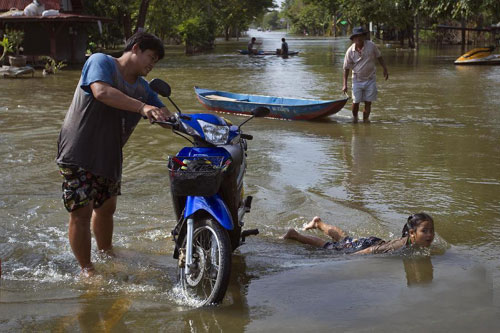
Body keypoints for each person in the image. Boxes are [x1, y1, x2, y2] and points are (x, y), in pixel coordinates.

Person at [56, 31, 171, 276]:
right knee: (81, 211)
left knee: (106, 209)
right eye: (151, 57)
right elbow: (101, 92)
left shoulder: (143, 89)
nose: (152, 64)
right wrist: (142, 107)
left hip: (109, 154)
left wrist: (193, 124)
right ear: (136, 48)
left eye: (156, 61)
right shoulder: (101, 62)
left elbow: (164, 114)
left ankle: (106, 252)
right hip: (79, 150)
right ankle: (87, 269)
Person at [283, 213, 435, 254]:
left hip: (371, 241)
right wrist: (351, 257)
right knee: (328, 246)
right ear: (412, 233)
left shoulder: (412, 242)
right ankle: (296, 235)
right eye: (425, 231)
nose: (430, 235)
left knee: (344, 239)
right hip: (367, 246)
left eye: (431, 231)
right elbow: (371, 251)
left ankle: (318, 223)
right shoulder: (400, 245)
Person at [342, 26, 389, 123]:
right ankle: (355, 119)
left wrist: (385, 69)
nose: (358, 38)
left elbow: (379, 57)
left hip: (370, 79)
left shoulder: (371, 46)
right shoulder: (350, 51)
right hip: (357, 80)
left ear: (364, 36)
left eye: (360, 36)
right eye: (356, 37)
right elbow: (346, 68)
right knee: (356, 102)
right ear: (353, 39)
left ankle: (365, 121)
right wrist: (345, 84)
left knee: (368, 102)